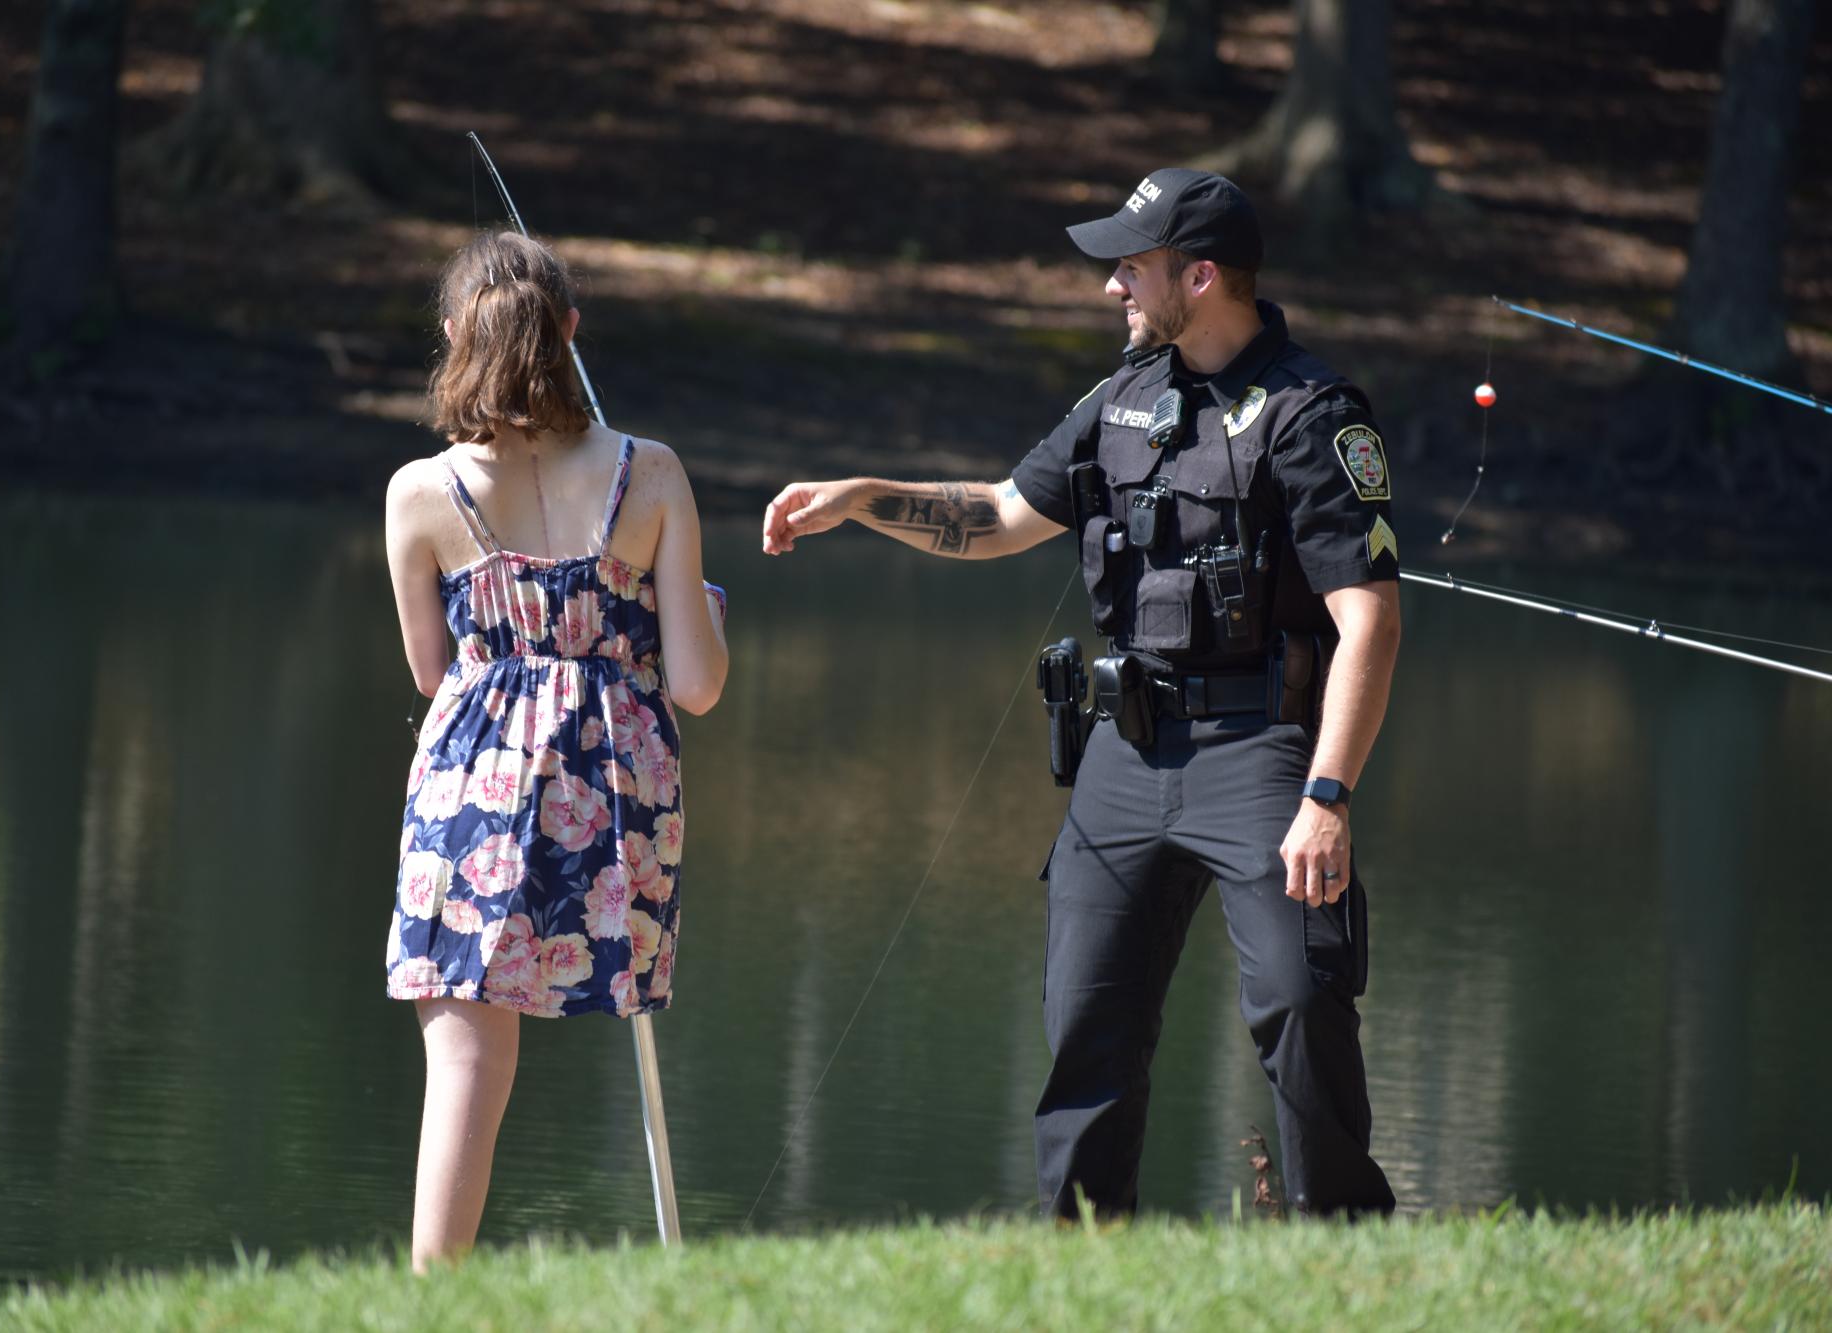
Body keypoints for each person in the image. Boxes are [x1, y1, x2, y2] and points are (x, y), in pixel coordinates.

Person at [761, 168, 1400, 1218]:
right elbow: (1002, 516)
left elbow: (1368, 621)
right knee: (1084, 1022)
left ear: (1199, 276)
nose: (1111, 286)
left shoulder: (1308, 414)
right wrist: (864, 499)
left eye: (1131, 267)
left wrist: (1325, 799)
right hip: (1123, 753)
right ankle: (1085, 1258)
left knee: (1300, 1002)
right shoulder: (1121, 399)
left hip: (1261, 755)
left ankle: (1339, 1246)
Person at [383, 229, 728, 1270]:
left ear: (453, 339)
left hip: (473, 787)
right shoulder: (651, 471)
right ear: (569, 333)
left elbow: (430, 673)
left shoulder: (418, 492)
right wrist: (703, 610)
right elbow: (697, 685)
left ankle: (428, 1299)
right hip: (616, 791)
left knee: (465, 1062)